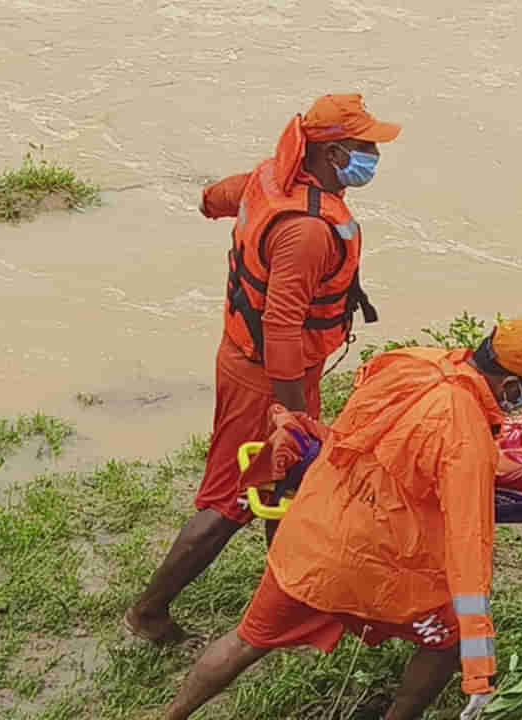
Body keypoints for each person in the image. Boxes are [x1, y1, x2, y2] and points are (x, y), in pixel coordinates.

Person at [162, 318, 522, 720]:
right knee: (449, 641)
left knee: (246, 640)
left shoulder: (413, 363)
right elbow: (469, 544)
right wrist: (479, 671)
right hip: (373, 566)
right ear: (510, 386)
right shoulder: (465, 436)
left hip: (310, 536)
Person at [124, 94, 401, 646]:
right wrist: (293, 417)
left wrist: (220, 203)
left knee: (290, 480)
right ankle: (148, 614)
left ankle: (289, 597)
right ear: (334, 154)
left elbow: (214, 199)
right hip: (267, 377)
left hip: (265, 364)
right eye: (366, 146)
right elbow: (280, 326)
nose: (375, 155)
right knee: (230, 501)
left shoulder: (272, 179)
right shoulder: (310, 231)